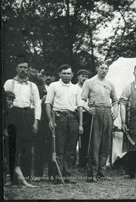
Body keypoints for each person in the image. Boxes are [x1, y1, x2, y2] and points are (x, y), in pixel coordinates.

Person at [3, 56, 41, 184]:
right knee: (13, 147)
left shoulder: (32, 85)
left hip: (27, 116)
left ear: (28, 69)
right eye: (20, 67)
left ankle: (27, 177)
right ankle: (14, 179)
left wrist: (36, 121)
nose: (23, 70)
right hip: (13, 115)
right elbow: (4, 102)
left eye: (25, 67)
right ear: (16, 68)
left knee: (27, 148)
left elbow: (37, 104)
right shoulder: (9, 83)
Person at [45, 64, 83, 184]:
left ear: (72, 75)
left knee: (71, 148)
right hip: (59, 118)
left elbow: (80, 106)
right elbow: (48, 104)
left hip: (72, 118)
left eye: (68, 73)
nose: (66, 76)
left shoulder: (76, 88)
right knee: (59, 148)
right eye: (64, 73)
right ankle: (58, 175)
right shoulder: (54, 85)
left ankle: (67, 175)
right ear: (59, 74)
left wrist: (81, 124)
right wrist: (50, 120)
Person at [81, 62, 118, 182]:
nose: (104, 70)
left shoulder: (110, 84)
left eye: (106, 68)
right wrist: (87, 108)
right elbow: (82, 100)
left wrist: (115, 112)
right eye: (102, 68)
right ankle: (92, 173)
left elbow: (115, 101)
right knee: (94, 143)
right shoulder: (89, 82)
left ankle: (102, 171)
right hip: (95, 112)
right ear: (97, 68)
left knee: (106, 142)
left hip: (107, 112)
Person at [33, 66, 57, 182]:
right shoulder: (37, 88)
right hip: (42, 122)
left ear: (55, 77)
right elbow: (32, 104)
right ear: (42, 77)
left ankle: (52, 174)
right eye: (46, 75)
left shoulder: (57, 88)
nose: (49, 78)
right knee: (39, 148)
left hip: (54, 122)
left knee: (52, 148)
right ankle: (38, 173)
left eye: (51, 75)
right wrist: (41, 101)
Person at [75, 69, 91, 168]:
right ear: (78, 77)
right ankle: (72, 161)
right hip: (75, 113)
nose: (84, 78)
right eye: (82, 76)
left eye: (86, 76)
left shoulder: (88, 88)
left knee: (85, 138)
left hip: (86, 114)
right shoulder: (74, 87)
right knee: (74, 138)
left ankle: (83, 162)